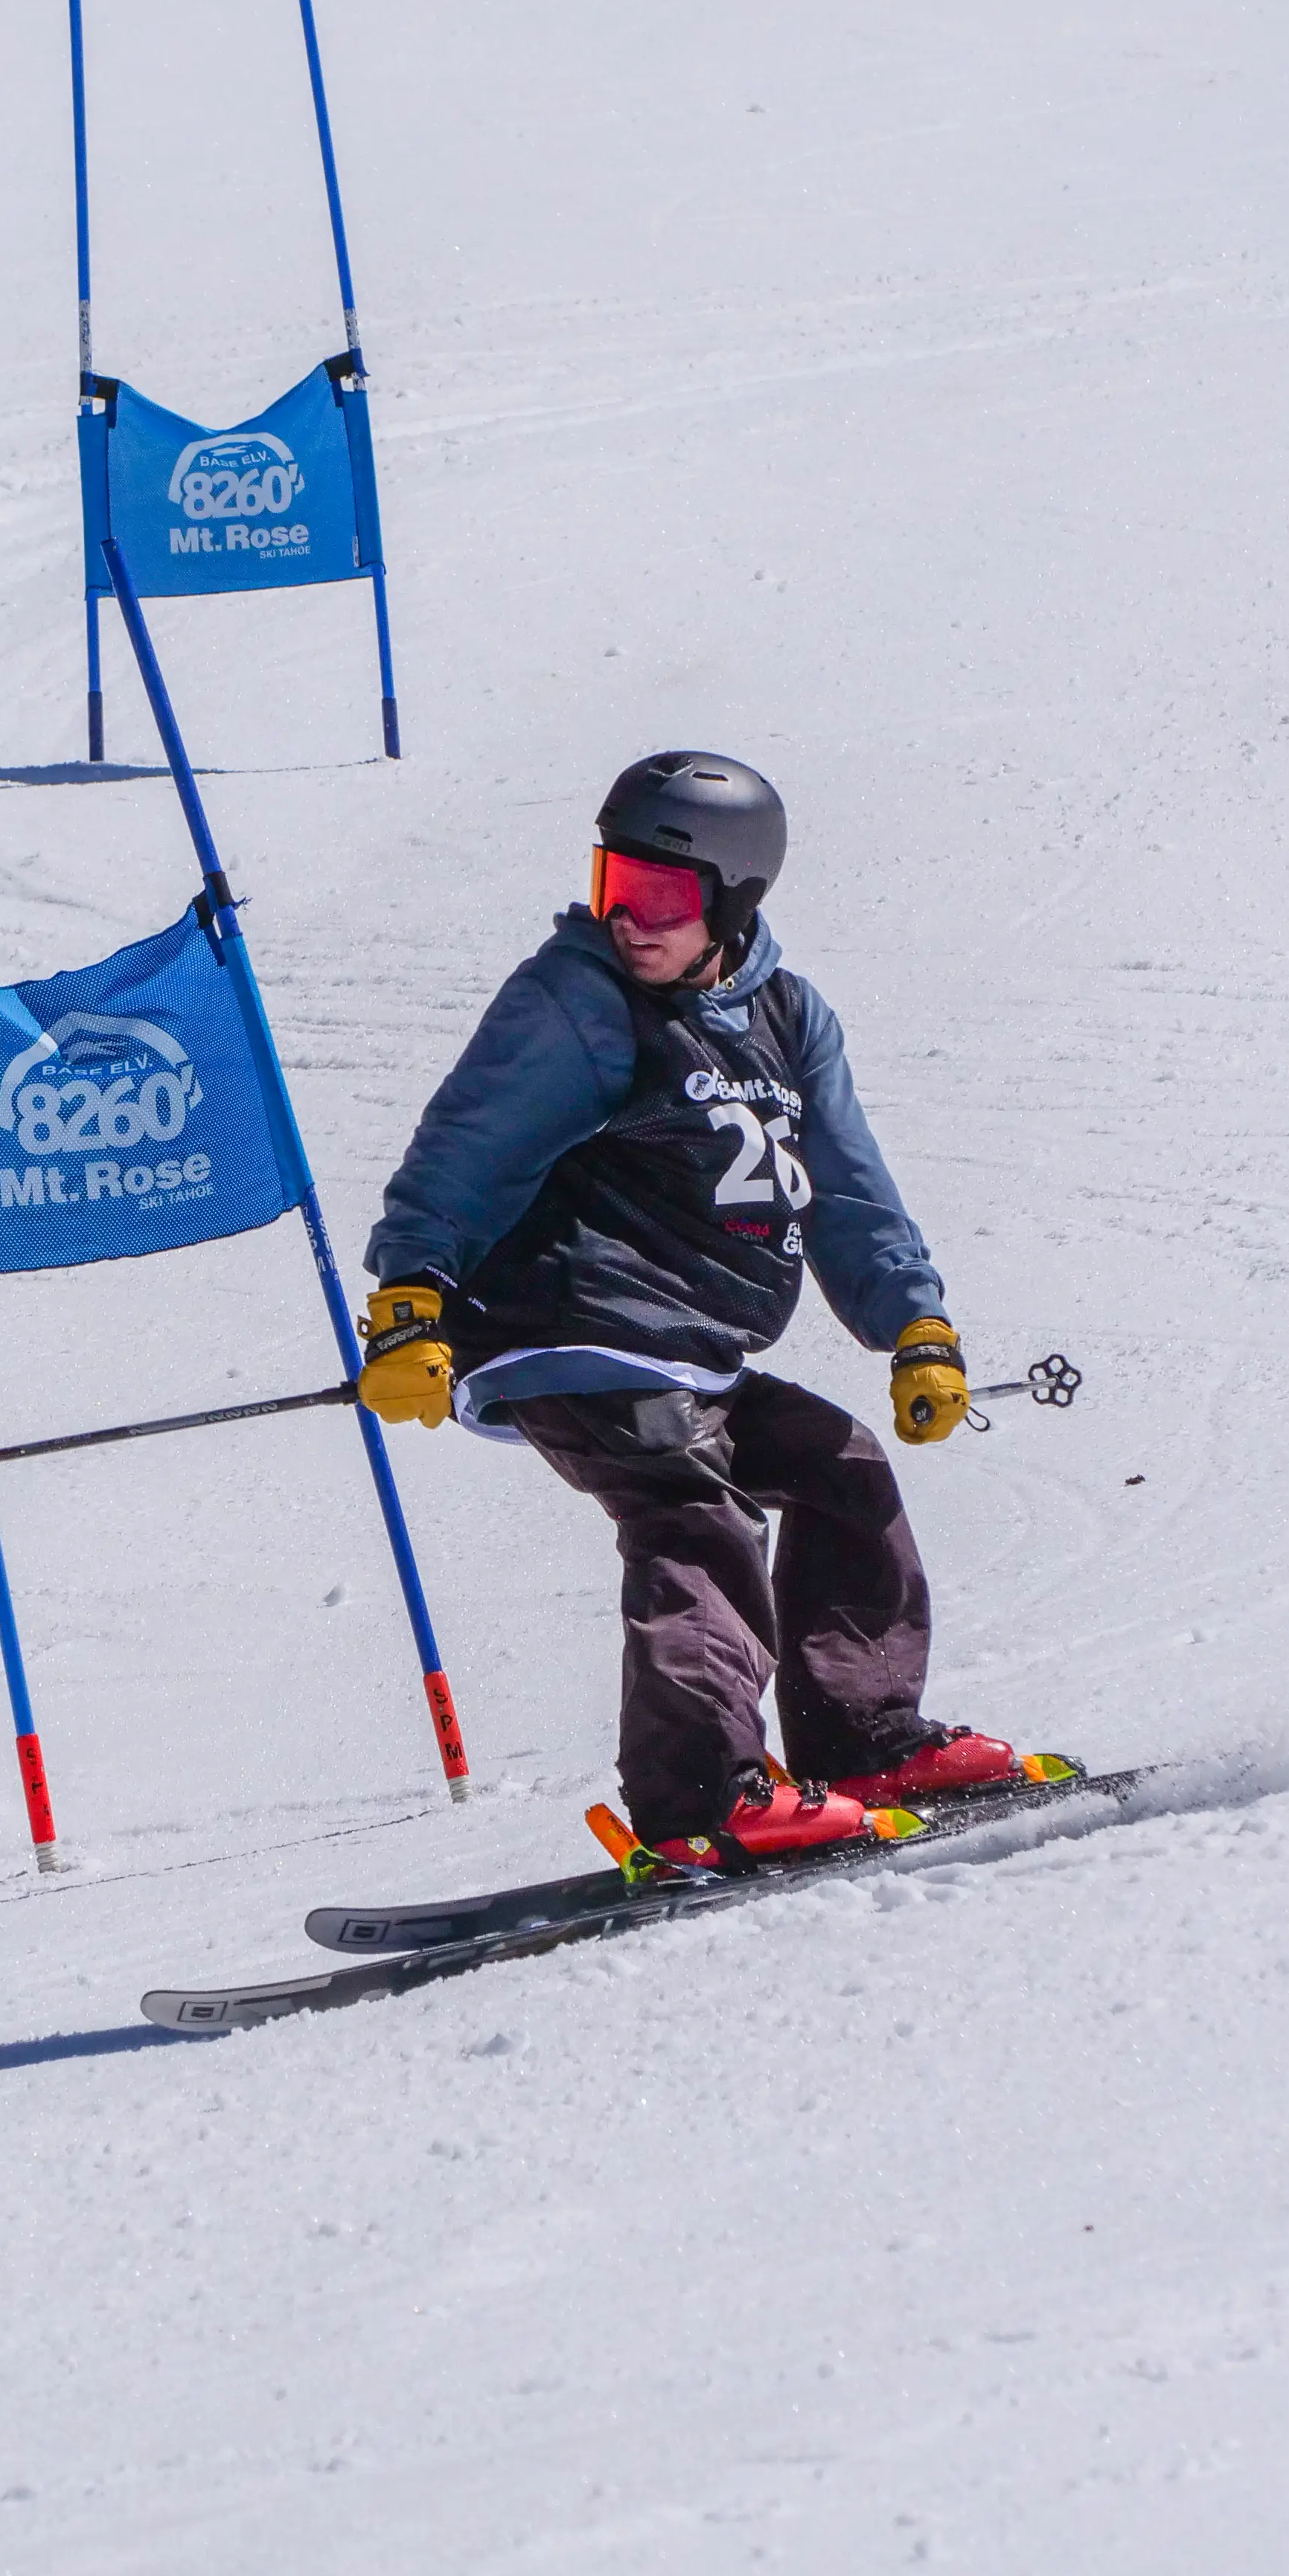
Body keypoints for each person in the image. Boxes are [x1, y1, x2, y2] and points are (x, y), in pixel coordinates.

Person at [354, 750, 1032, 1877]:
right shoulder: (578, 998)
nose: (628, 918)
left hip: (690, 1350)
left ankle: (862, 1740)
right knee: (692, 1513)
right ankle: (705, 1798)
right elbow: (463, 1154)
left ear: (735, 899)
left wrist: (917, 1329)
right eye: (612, 884)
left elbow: (851, 1188)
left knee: (839, 1465)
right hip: (570, 1328)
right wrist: (411, 1301)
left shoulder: (786, 1016)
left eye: (659, 898)